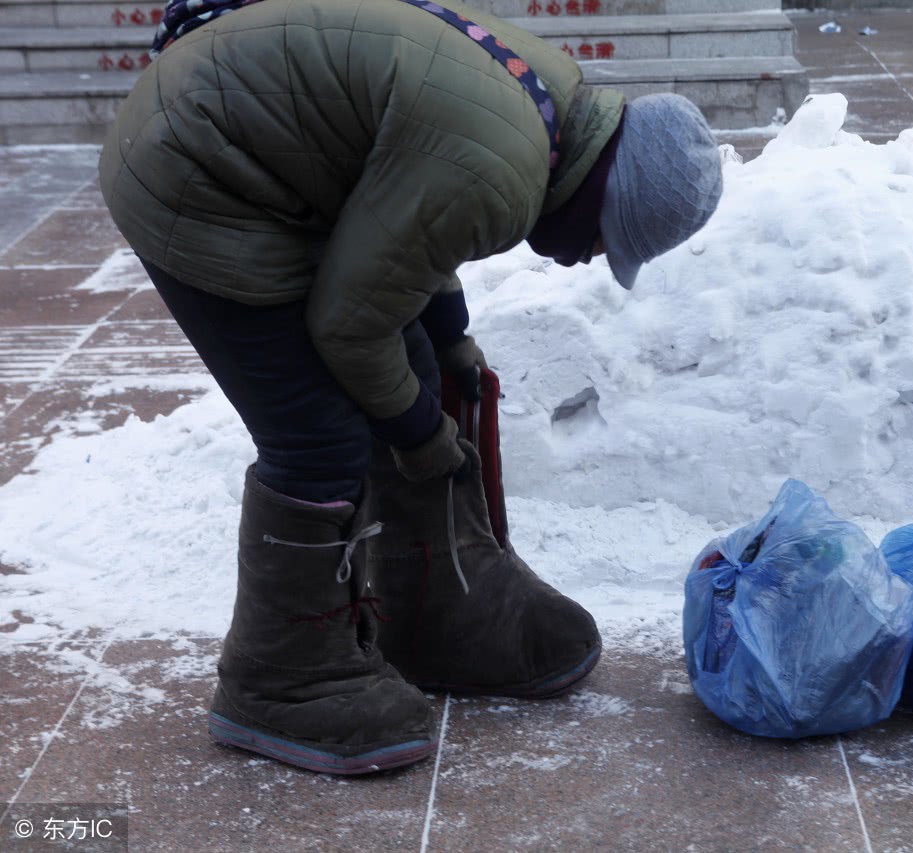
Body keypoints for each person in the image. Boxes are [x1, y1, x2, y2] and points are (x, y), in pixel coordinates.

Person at [99, 0, 723, 775]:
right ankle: (278, 681)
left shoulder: (551, 107)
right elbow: (350, 326)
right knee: (317, 435)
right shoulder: (502, 165)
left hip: (249, 144)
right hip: (197, 172)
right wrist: (424, 436)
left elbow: (412, 227)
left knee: (418, 365)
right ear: (604, 197)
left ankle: (431, 619)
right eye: (607, 242)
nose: (590, 258)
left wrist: (450, 339)